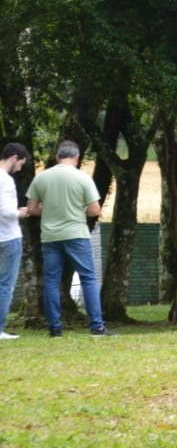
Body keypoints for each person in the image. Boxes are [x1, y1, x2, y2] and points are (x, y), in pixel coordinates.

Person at [24, 140, 113, 337]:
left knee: (52, 281)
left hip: (50, 236)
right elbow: (94, 210)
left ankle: (55, 329)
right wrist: (77, 209)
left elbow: (31, 209)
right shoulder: (83, 178)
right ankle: (96, 326)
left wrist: (48, 210)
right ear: (77, 157)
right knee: (88, 278)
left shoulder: (42, 178)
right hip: (76, 235)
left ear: (57, 157)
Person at [0, 143, 31, 340]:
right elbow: (5, 211)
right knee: (5, 285)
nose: (19, 168)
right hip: (8, 237)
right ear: (14, 157)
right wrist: (22, 212)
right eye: (20, 163)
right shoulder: (6, 180)